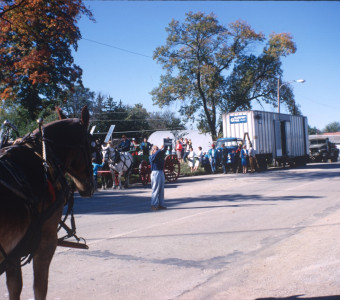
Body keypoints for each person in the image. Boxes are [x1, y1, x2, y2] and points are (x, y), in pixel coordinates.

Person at [149, 144, 167, 211]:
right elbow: (155, 155)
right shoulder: (151, 156)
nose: (157, 150)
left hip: (161, 172)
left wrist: (166, 143)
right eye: (156, 149)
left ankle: (161, 204)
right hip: (155, 172)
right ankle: (154, 204)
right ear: (152, 150)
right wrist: (159, 149)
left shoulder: (159, 155)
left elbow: (164, 151)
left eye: (157, 149)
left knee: (161, 190)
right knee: (155, 189)